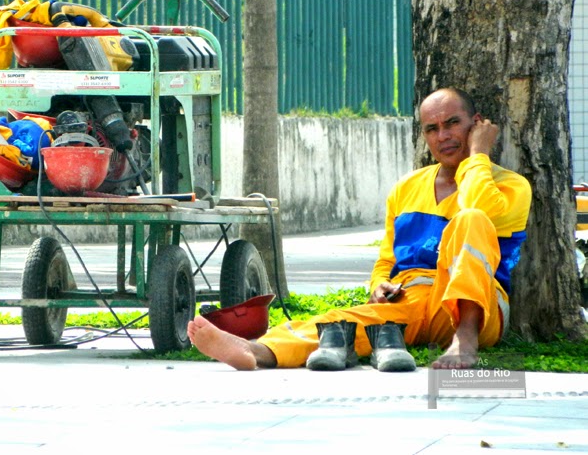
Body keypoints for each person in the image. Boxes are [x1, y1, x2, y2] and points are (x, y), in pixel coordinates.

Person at [188, 87, 532, 371]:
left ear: (475, 125)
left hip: (479, 308)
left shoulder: (511, 186)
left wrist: (478, 154)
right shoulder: (406, 189)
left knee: (469, 219)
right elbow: (387, 259)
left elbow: (476, 208)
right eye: (431, 128)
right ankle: (256, 350)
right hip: (410, 300)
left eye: (453, 124)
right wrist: (379, 284)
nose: (443, 136)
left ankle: (465, 341)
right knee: (341, 322)